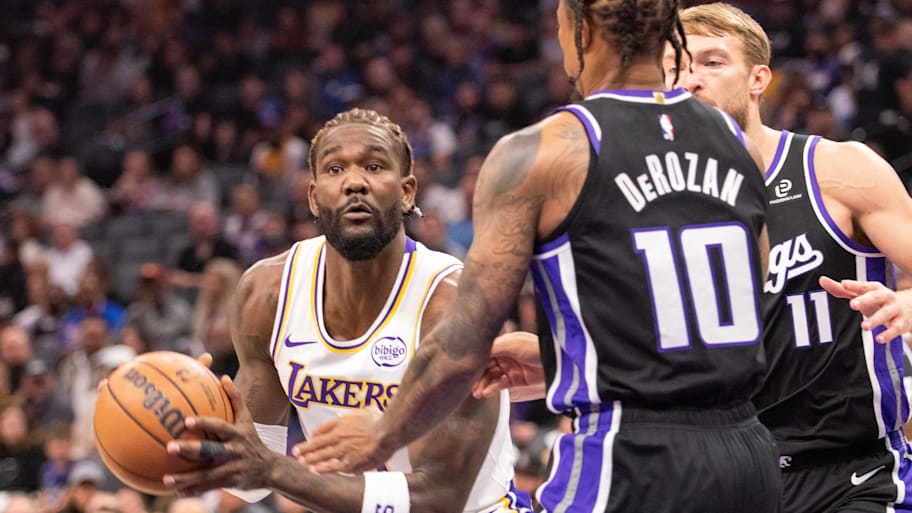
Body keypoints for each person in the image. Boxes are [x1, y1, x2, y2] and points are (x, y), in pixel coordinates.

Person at [292, 2, 778, 512]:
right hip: (746, 453)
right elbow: (747, 309)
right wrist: (559, 360)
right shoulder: (730, 139)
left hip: (629, 457)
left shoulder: (545, 151)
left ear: (582, 32)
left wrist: (382, 431)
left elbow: (463, 342)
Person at [161, 108, 530, 513]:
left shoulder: (450, 302)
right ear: (314, 198)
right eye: (335, 169)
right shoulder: (265, 293)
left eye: (373, 166)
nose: (355, 182)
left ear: (407, 191)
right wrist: (212, 430)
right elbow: (252, 479)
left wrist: (273, 471)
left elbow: (438, 498)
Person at [658, 5, 912, 512]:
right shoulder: (657, 208)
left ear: (758, 79)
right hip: (728, 483)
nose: (690, 80)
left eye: (711, 62)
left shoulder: (835, 170)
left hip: (851, 474)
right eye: (676, 67)